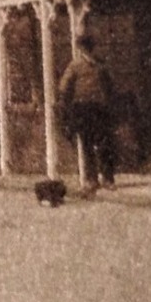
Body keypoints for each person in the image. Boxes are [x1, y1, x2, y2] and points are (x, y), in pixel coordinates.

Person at [58, 33, 117, 197]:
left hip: (99, 109)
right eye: (85, 47)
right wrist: (69, 103)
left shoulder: (100, 65)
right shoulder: (75, 66)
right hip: (83, 109)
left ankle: (107, 178)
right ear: (81, 48)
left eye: (89, 46)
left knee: (104, 143)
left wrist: (108, 100)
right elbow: (64, 86)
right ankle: (92, 179)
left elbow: (110, 85)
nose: (88, 50)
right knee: (87, 145)